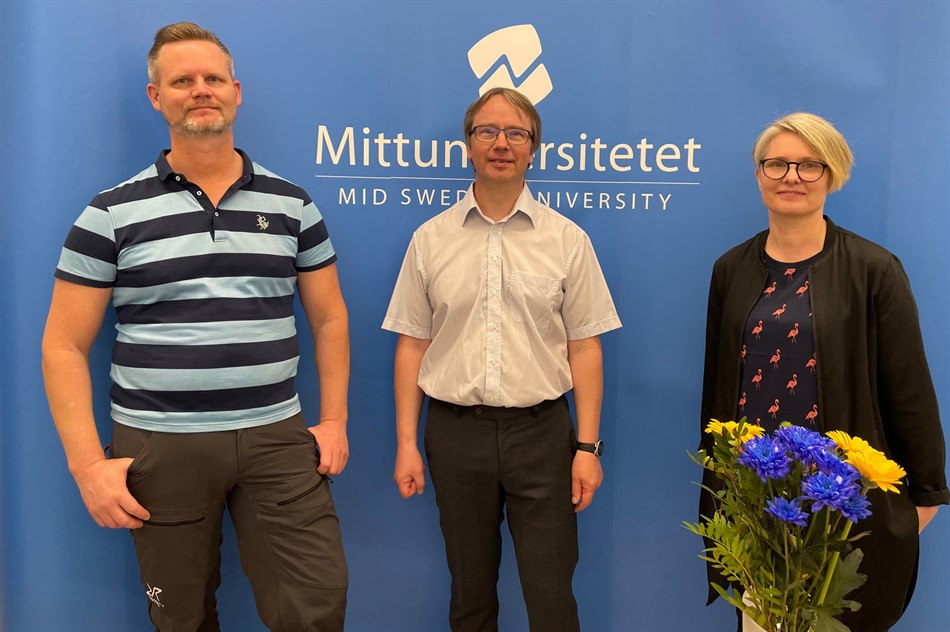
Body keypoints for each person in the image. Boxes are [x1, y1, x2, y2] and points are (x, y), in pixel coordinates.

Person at [41, 22, 349, 631]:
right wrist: (86, 466)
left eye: (213, 78)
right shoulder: (109, 215)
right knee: (180, 619)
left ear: (237, 91)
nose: (201, 90)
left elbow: (330, 316)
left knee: (316, 607)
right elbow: (63, 345)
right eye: (182, 81)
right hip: (159, 444)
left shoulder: (292, 205)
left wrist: (334, 421)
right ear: (156, 97)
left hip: (276, 438)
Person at [382, 87, 622, 632]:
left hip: (543, 437)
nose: (501, 143)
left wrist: (587, 448)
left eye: (516, 133)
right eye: (487, 131)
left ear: (534, 149)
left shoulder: (567, 240)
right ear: (468, 145)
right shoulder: (430, 240)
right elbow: (412, 343)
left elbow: (584, 346)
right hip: (455, 435)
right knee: (469, 596)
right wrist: (406, 444)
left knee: (552, 596)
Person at [699, 112, 948, 630]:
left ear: (832, 175)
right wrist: (720, 486)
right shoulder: (730, 269)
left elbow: (909, 389)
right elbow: (718, 389)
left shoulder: (874, 269)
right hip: (756, 497)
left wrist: (926, 496)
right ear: (759, 173)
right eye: (777, 164)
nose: (791, 176)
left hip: (840, 502)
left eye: (809, 165)